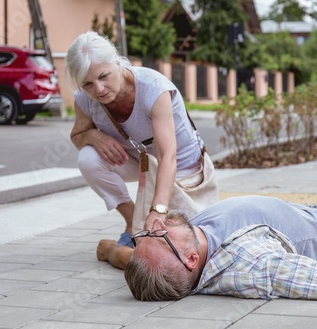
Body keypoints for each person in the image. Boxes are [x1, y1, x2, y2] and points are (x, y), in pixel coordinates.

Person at [97, 181, 317, 301]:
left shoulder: (160, 260)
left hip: (298, 208)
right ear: (191, 260)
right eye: (158, 234)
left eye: (145, 233)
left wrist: (111, 249)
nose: (156, 224)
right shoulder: (251, 267)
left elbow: (126, 258)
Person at [64, 31, 218, 248]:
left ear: (116, 62)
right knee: (88, 158)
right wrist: (92, 135)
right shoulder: (84, 100)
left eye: (103, 76)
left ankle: (145, 222)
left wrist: (158, 210)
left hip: (182, 168)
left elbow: (167, 156)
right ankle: (131, 221)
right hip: (141, 162)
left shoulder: (153, 88)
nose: (98, 89)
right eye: (87, 84)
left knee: (186, 241)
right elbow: (77, 136)